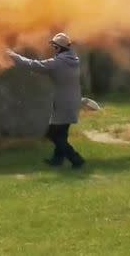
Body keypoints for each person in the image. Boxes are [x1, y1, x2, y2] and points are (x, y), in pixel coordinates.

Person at [8, 33, 85, 169]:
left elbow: (32, 64)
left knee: (53, 134)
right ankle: (57, 159)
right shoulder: (74, 59)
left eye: (54, 46)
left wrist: (13, 56)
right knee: (61, 133)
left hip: (62, 103)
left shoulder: (58, 62)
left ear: (58, 47)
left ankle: (76, 159)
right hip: (72, 101)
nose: (53, 48)